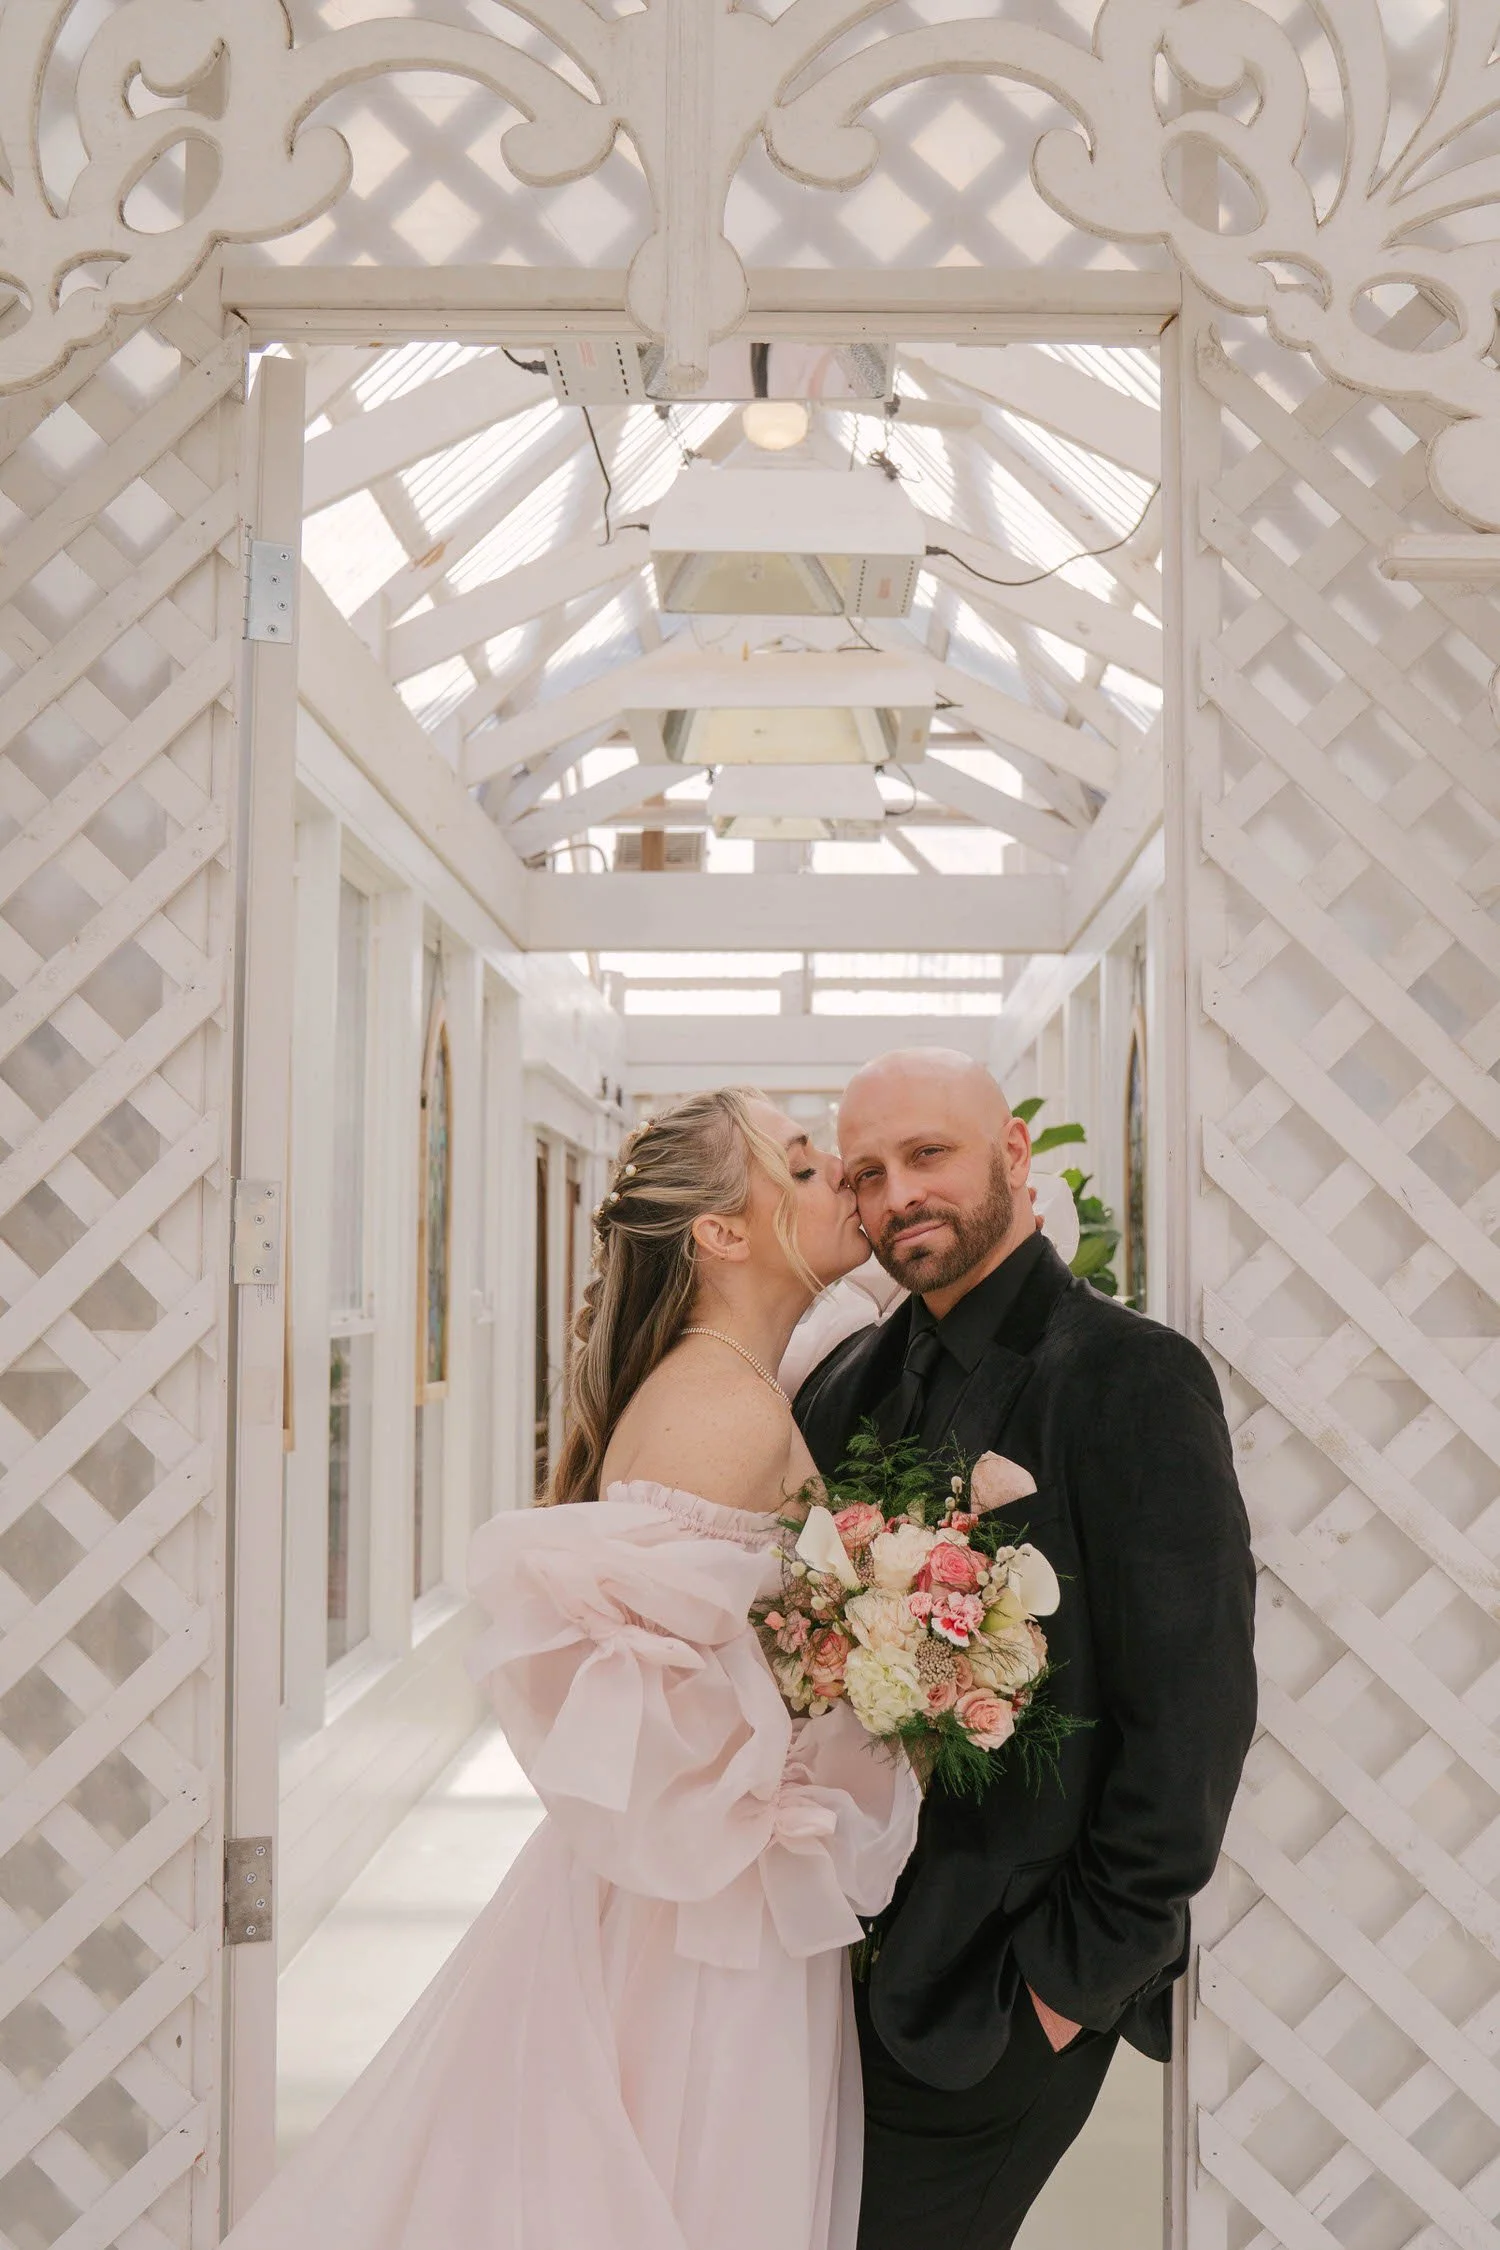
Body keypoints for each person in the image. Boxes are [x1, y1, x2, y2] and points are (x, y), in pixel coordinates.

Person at [221, 1089, 920, 2250]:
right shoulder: (718, 1416)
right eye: (801, 1166)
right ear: (722, 1234)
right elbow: (642, 1720)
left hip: (714, 1903)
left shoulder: (744, 1385)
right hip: (703, 1929)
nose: (841, 1173)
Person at [793, 1050, 1257, 2250]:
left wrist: (1066, 1984)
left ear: (1012, 1155)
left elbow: (1192, 1712)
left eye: (928, 1155)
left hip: (1003, 1985)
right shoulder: (843, 1384)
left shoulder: (1128, 1376)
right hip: (828, 1963)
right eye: (868, 1173)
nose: (899, 1194)